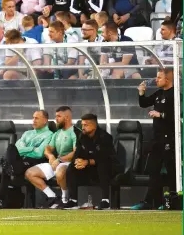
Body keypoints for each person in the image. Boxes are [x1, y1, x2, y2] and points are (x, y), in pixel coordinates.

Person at [132, 69, 176, 210]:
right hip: (156, 138)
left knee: (171, 171)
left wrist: (161, 114)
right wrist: (141, 92)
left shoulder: (175, 95)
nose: (156, 80)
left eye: (159, 77)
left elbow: (177, 116)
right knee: (153, 170)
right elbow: (144, 103)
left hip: (170, 139)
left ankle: (172, 201)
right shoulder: (159, 93)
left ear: (167, 80)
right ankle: (151, 201)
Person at [0, 110, 53, 208]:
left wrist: (24, 148)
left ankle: (0, 199)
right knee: (11, 147)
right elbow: (17, 149)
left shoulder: (49, 135)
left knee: (6, 166)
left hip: (35, 162)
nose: (33, 120)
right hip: (21, 161)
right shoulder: (27, 133)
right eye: (33, 118)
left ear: (45, 120)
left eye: (36, 118)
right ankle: (12, 167)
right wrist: (32, 148)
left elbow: (39, 153)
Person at [64, 113, 122, 210]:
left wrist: (87, 162)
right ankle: (73, 201)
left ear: (94, 126)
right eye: (82, 125)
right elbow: (77, 154)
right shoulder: (82, 137)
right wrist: (78, 162)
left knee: (102, 166)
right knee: (71, 168)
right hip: (90, 169)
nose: (83, 127)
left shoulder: (105, 137)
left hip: (109, 169)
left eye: (86, 125)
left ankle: (105, 201)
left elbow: (104, 158)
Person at [25, 106, 77, 208]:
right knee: (30, 173)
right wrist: (51, 157)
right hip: (57, 162)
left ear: (66, 117)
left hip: (70, 163)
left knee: (60, 171)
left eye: (58, 116)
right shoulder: (57, 133)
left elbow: (76, 152)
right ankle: (53, 197)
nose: (56, 119)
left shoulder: (75, 132)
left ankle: (65, 199)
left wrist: (59, 159)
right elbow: (47, 149)